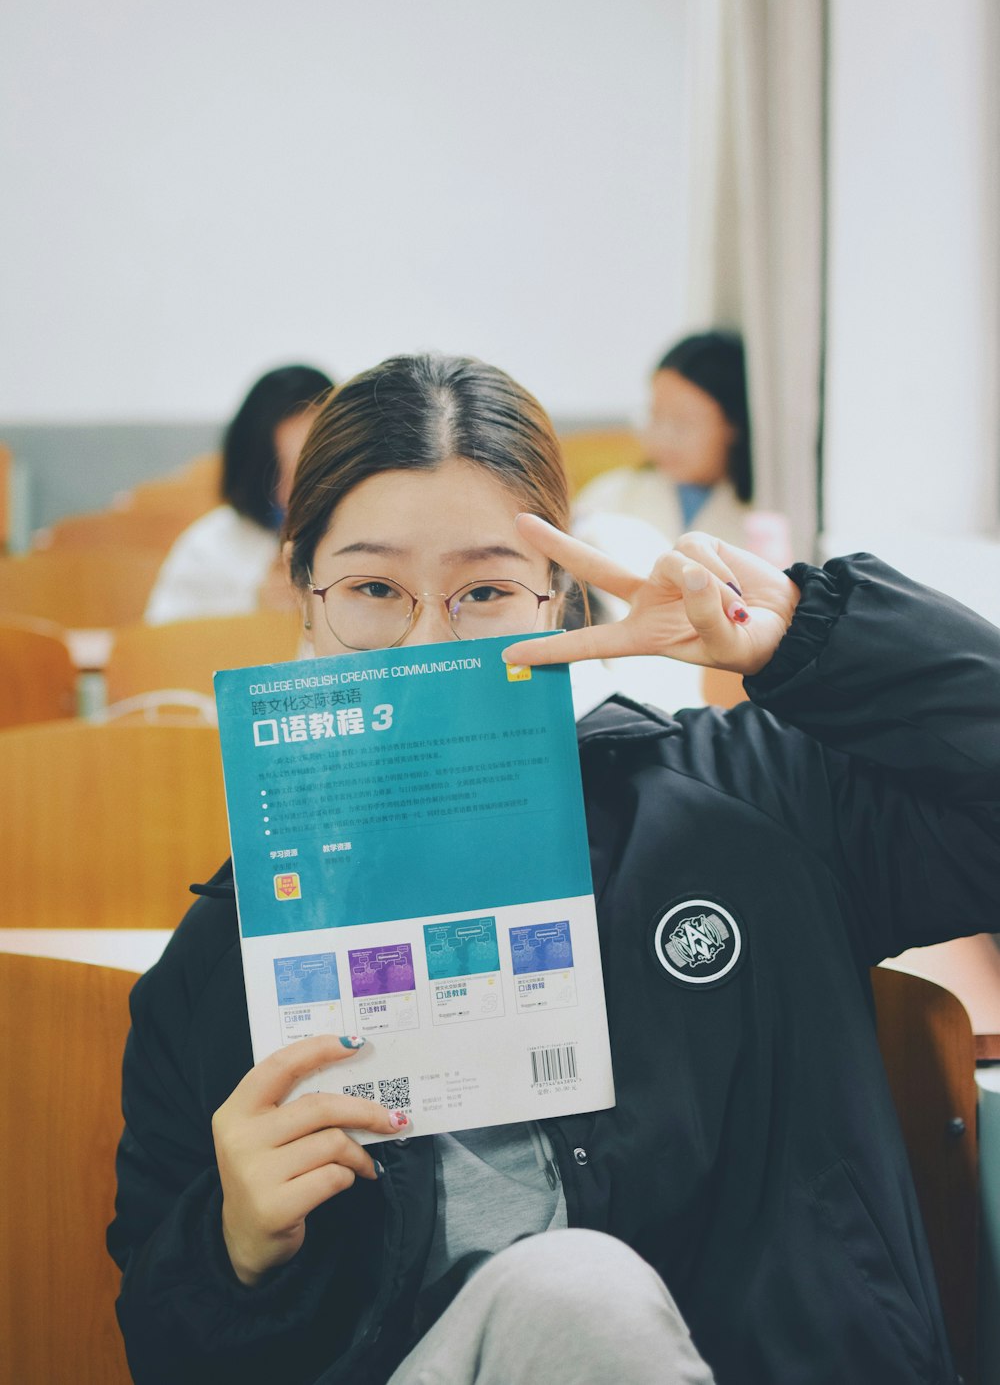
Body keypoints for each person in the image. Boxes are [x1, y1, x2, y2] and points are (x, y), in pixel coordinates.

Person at [109, 352, 1000, 1385]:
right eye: (371, 589)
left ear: (557, 600)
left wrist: (805, 637)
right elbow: (166, 1344)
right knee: (572, 1294)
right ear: (302, 597)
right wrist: (236, 1254)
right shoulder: (222, 965)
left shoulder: (748, 810)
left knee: (581, 1295)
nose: (424, 644)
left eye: (484, 589)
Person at [144, 363, 335, 624]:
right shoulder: (207, 547)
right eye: (277, 473)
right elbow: (164, 649)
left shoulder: (364, 540)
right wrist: (254, 609)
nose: (292, 495)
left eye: (311, 469)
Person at [574, 329, 752, 547]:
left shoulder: (760, 513)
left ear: (732, 425)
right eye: (656, 417)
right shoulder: (611, 494)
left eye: (683, 423)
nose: (663, 439)